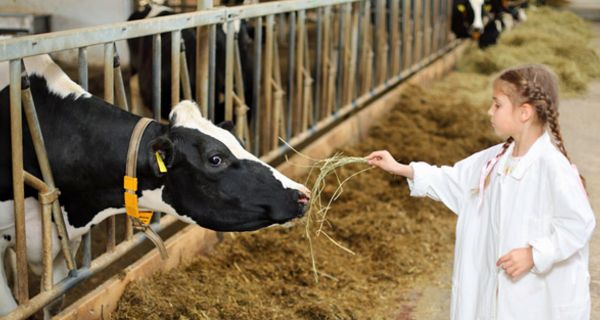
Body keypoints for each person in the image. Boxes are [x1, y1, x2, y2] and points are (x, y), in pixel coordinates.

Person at [366, 64, 595, 319]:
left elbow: (579, 223)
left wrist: (535, 254)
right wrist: (400, 168)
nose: (489, 111)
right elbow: (454, 180)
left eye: (497, 105)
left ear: (524, 113)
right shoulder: (494, 160)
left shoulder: (552, 167)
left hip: (536, 297)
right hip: (495, 292)